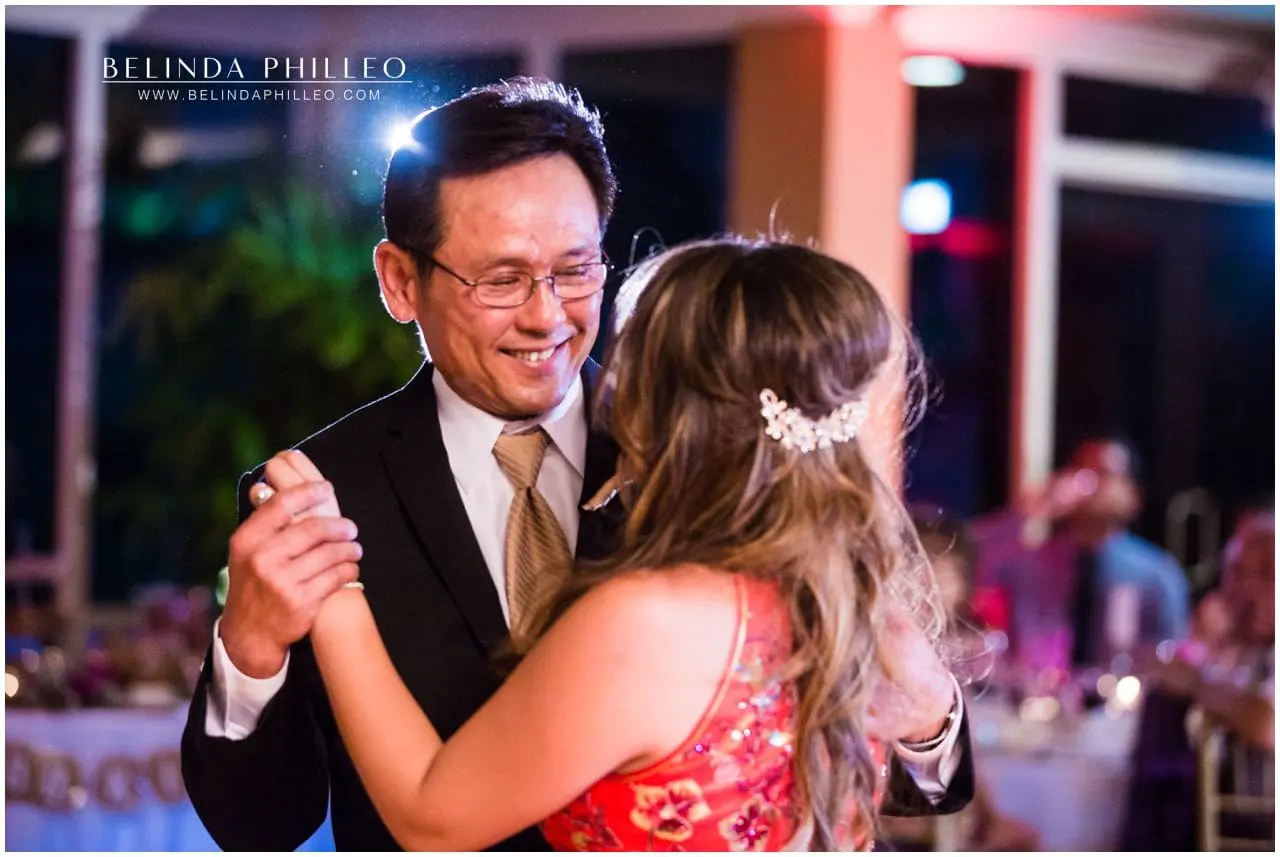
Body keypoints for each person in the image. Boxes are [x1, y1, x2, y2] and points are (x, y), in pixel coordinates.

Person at [180, 80, 973, 851]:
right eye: (502, 279)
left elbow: (903, 778)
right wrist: (249, 651)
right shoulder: (322, 492)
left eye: (575, 269)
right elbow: (260, 830)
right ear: (400, 280)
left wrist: (931, 719)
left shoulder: (707, 464)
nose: (547, 314)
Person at [880, 509, 1041, 852]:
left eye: (946, 572)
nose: (931, 585)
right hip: (900, 823)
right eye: (920, 569)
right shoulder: (891, 655)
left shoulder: (955, 654)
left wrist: (990, 816)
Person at [1121, 508, 1274, 850]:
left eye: (1266, 572)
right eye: (1238, 573)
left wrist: (1195, 683)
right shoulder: (1240, 651)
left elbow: (1268, 725)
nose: (1248, 587)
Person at [971, 437, 1190, 669]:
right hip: (1039, 689)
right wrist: (1029, 512)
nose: (1088, 484)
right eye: (1080, 470)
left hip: (1122, 689)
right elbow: (968, 560)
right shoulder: (1032, 565)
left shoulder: (1155, 575)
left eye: (1103, 473)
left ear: (1132, 496)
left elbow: (1173, 659)